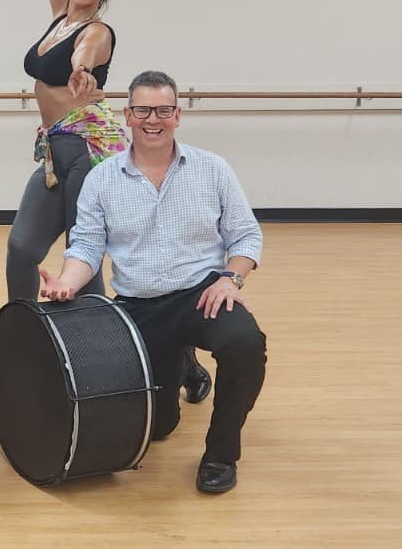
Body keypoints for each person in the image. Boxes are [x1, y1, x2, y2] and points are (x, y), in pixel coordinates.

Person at [5, 0, 214, 404]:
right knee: (23, 246)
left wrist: (83, 81)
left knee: (84, 257)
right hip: (56, 150)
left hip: (88, 152)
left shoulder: (97, 31)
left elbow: (88, 68)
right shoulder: (59, 12)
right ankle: (24, 342)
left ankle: (106, 366)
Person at [38, 71, 267, 494]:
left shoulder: (212, 168)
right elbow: (86, 246)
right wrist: (66, 284)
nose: (153, 119)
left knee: (246, 344)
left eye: (163, 110)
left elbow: (246, 236)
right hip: (139, 307)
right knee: (159, 427)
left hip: (203, 294)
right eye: (142, 110)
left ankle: (220, 454)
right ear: (127, 115)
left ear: (178, 115)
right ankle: (185, 363)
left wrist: (231, 279)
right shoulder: (101, 179)